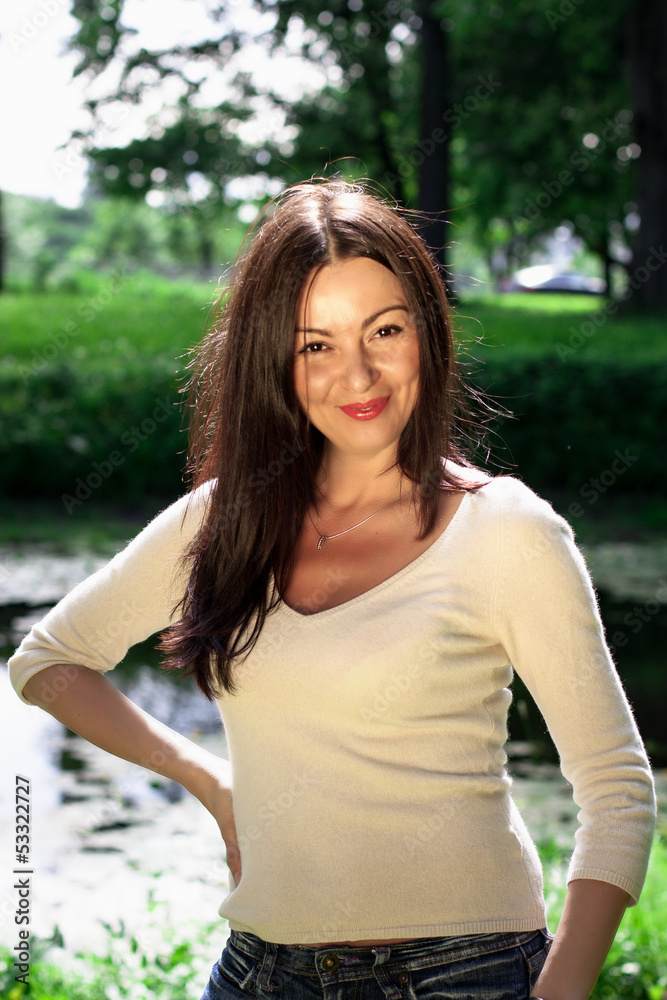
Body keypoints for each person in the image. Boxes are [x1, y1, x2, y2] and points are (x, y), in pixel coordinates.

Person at [9, 180, 656, 1000]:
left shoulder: (506, 531)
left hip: (462, 973)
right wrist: (211, 781)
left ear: (428, 329)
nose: (358, 373)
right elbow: (47, 663)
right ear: (273, 360)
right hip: (256, 971)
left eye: (384, 329)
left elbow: (617, 791)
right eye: (315, 344)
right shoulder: (223, 520)